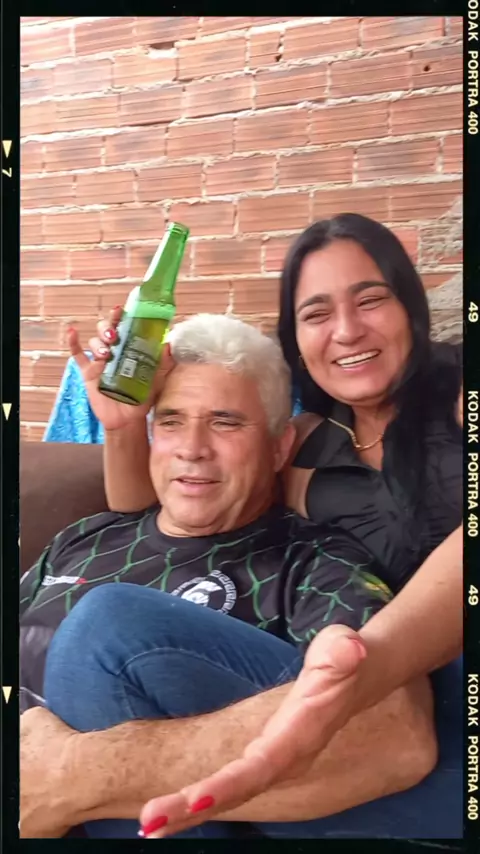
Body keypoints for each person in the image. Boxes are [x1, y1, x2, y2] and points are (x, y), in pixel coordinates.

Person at [57, 212, 462, 840]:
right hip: (365, 681)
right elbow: (168, 497)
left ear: (410, 306)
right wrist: (127, 422)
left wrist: (373, 666)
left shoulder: (461, 390)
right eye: (316, 313)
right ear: (295, 340)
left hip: (409, 702)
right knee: (110, 633)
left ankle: (63, 782)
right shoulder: (303, 442)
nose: (347, 330)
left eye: (370, 300)